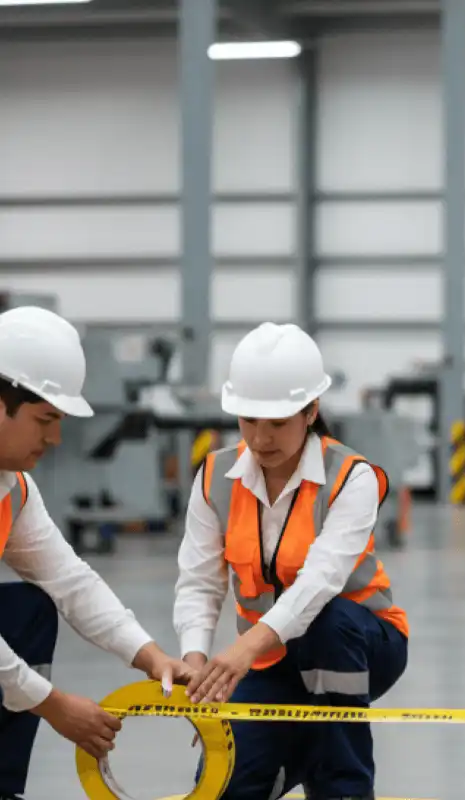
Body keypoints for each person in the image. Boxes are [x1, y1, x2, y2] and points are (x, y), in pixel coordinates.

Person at [174, 322, 410, 800]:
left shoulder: (351, 477)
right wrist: (197, 673)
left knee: (329, 622)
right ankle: (298, 752)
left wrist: (242, 651)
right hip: (271, 662)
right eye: (248, 420)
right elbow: (199, 583)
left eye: (278, 422)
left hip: (361, 645)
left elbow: (319, 582)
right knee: (224, 782)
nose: (261, 438)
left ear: (311, 411)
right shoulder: (215, 477)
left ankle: (341, 788)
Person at [0, 306, 193, 799]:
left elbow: (71, 581)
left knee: (28, 610)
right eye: (45, 419)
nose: (55, 438)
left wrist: (149, 655)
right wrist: (52, 704)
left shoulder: (13, 489)